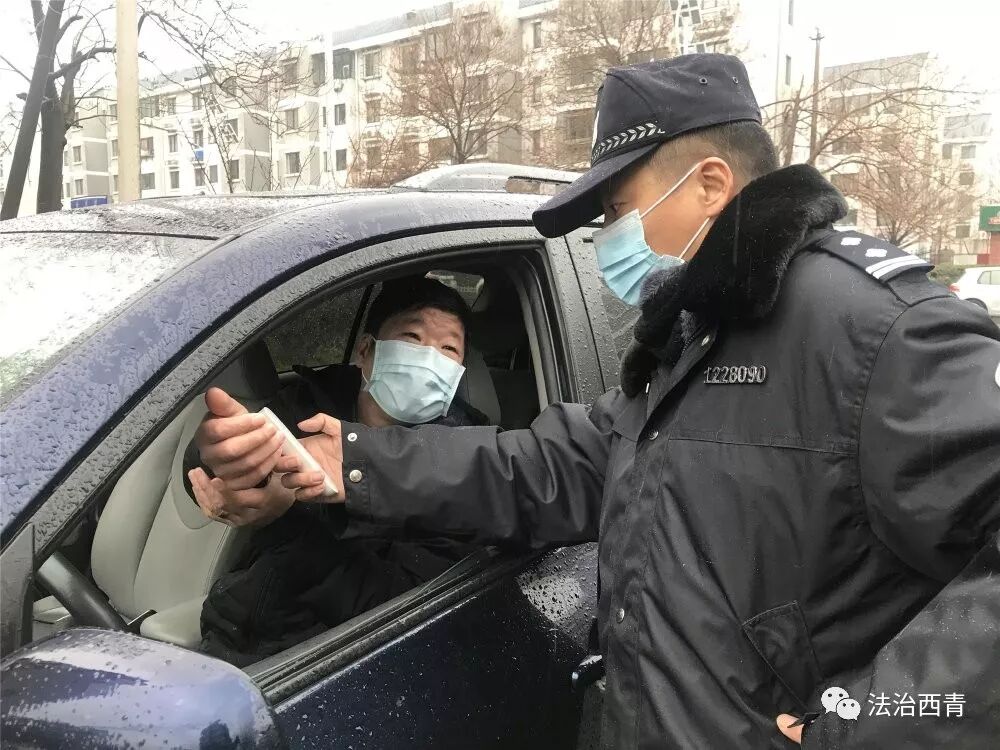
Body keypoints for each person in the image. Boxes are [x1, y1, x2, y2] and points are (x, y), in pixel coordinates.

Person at [199, 55, 1000, 748]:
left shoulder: (871, 326)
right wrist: (353, 460)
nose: (606, 235)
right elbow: (546, 466)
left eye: (615, 208)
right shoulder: (695, 340)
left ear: (710, 185)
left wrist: (868, 722)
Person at [185, 276, 488, 666]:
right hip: (233, 629)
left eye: (448, 349)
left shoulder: (463, 465)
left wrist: (287, 518)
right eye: (412, 338)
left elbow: (404, 608)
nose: (429, 359)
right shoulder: (310, 401)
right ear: (365, 350)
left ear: (458, 373)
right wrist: (217, 464)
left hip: (333, 663)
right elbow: (228, 456)